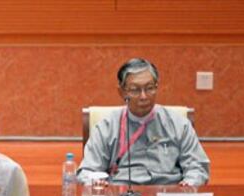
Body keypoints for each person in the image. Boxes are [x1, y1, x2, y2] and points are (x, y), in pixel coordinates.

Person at [77, 58, 210, 186]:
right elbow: (87, 171)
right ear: (122, 92)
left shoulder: (179, 124)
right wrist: (95, 181)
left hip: (167, 194)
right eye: (135, 90)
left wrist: (190, 183)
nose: (143, 96)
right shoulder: (106, 127)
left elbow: (198, 167)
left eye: (149, 88)